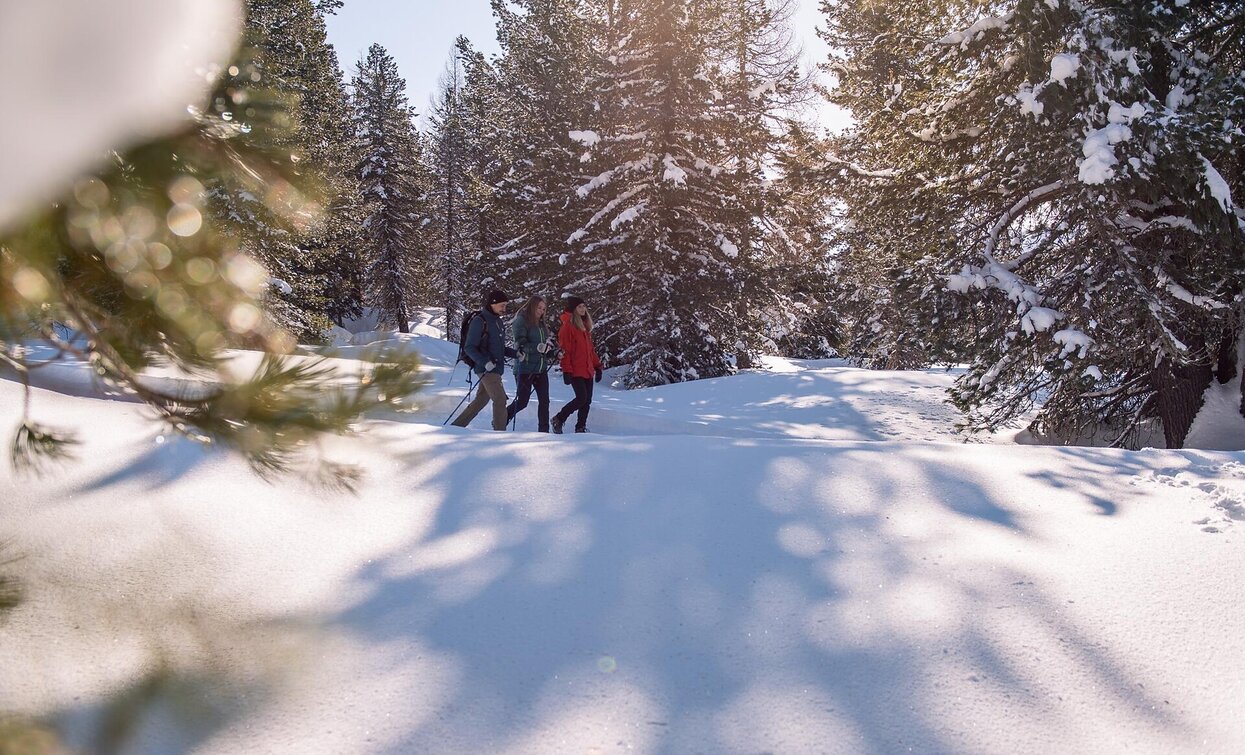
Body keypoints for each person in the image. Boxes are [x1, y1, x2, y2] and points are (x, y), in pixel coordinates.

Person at [451, 289, 517, 431]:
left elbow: (499, 348)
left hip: (494, 369)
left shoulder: (498, 322)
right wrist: (484, 362)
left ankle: (456, 427)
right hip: (486, 369)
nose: (504, 308)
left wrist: (516, 354)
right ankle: (500, 433)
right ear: (493, 304)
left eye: (505, 305)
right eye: (502, 305)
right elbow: (469, 347)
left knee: (481, 400)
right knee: (500, 400)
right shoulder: (479, 321)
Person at [551, 295, 603, 434]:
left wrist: (597, 366)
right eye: (580, 306)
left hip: (587, 369)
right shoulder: (567, 327)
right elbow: (565, 351)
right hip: (575, 370)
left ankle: (580, 427)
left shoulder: (584, 327)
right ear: (574, 309)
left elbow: (589, 351)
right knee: (581, 398)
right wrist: (566, 370)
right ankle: (559, 418)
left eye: (584, 306)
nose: (583, 309)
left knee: (587, 401)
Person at [506, 295, 557, 432]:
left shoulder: (541, 324)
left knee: (545, 401)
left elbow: (543, 348)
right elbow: (519, 344)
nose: (541, 311)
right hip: (525, 367)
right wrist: (538, 347)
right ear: (532, 306)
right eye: (539, 307)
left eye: (543, 309)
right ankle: (502, 418)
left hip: (540, 368)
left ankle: (544, 431)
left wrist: (552, 353)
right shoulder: (521, 321)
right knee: (522, 402)